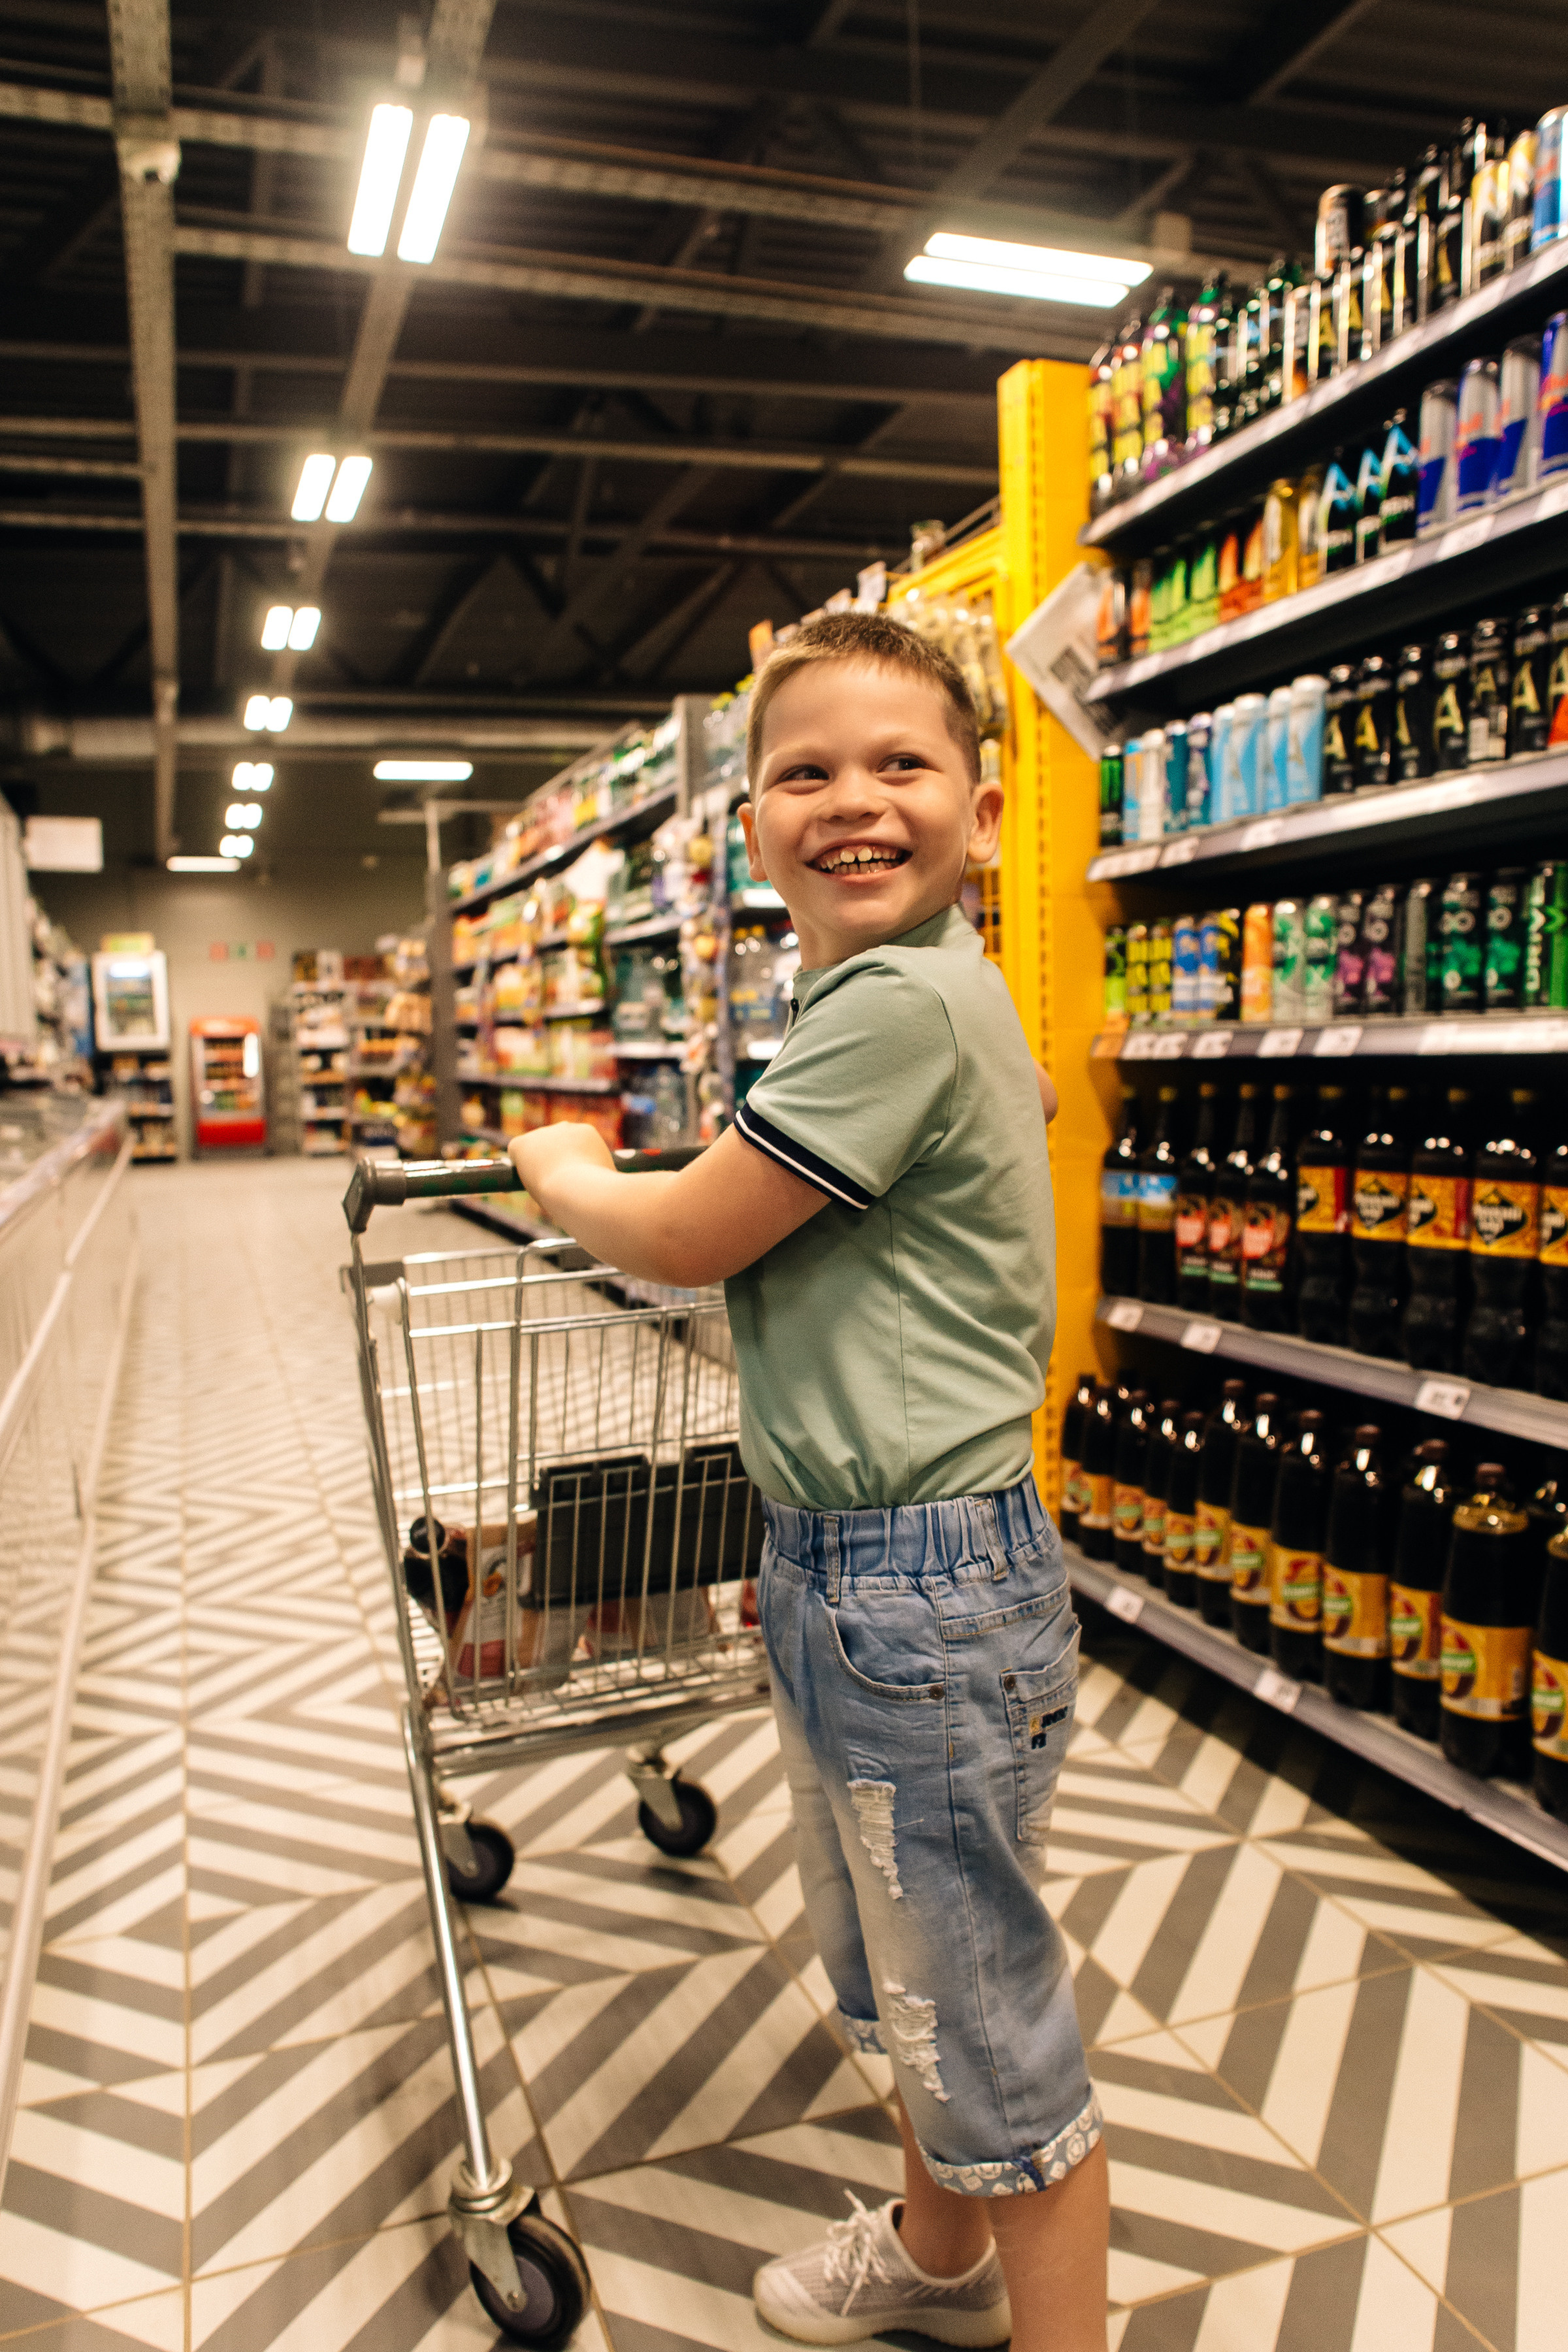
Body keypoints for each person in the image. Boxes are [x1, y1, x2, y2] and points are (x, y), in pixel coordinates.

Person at [506, 610, 1107, 2352]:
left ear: (987, 814)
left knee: (984, 2024)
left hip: (918, 1589)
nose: (855, 801)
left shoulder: (898, 1005)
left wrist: (563, 1170)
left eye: (902, 765)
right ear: (752, 825)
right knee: (912, 1990)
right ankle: (938, 2265)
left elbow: (693, 1236)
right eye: (806, 771)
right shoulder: (898, 996)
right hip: (864, 1572)